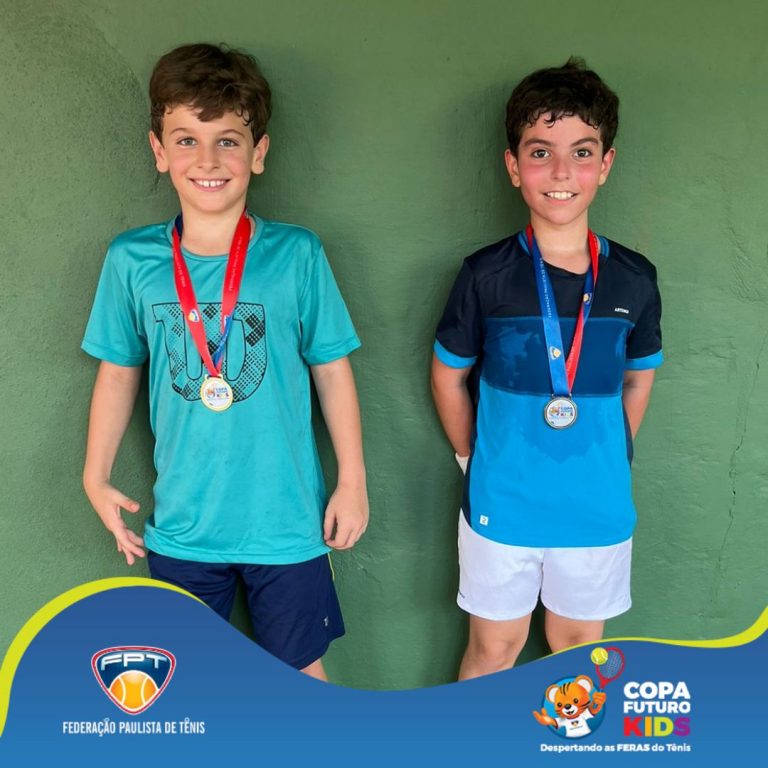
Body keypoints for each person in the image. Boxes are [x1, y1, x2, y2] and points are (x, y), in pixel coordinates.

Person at [82, 43, 368, 681]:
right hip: (184, 524)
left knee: (301, 682)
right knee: (189, 687)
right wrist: (94, 476)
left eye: (228, 141)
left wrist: (352, 480)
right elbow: (118, 372)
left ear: (258, 153)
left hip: (286, 523)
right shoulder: (131, 260)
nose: (207, 161)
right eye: (186, 140)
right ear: (158, 150)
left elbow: (332, 370)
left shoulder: (297, 254)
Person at [431, 58, 662, 680]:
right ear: (513, 166)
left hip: (597, 505)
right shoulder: (485, 275)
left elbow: (639, 376)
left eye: (582, 152)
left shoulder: (634, 278)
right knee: (494, 649)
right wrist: (471, 457)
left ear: (605, 164)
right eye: (541, 152)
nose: (562, 173)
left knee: (577, 647)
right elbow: (448, 375)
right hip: (501, 500)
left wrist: (614, 450)